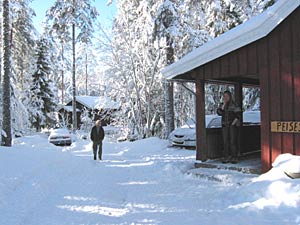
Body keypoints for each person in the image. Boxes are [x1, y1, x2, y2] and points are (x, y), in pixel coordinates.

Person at [217, 91, 241, 164]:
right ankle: (226, 157)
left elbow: (238, 114)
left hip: (232, 125)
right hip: (224, 125)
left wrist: (234, 122)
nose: (225, 97)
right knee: (225, 142)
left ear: (230, 96)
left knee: (232, 141)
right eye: (224, 96)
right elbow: (219, 113)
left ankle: (234, 157)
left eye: (226, 96)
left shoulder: (234, 104)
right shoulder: (222, 105)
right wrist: (223, 106)